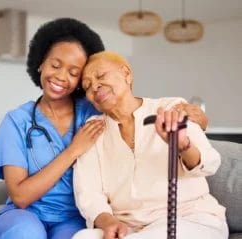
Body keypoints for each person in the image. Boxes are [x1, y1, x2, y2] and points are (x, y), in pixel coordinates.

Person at [0, 18, 208, 239]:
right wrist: (73, 150)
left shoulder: (94, 112)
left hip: (74, 218)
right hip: (25, 214)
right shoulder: (16, 121)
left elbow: (136, 111)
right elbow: (21, 196)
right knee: (25, 234)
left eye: (74, 73)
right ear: (41, 63)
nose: (62, 77)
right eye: (55, 65)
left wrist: (186, 112)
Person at [72, 51, 228, 239]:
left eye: (101, 76)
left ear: (126, 74)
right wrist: (108, 221)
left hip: (189, 219)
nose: (95, 87)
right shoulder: (93, 130)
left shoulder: (171, 108)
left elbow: (210, 163)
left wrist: (182, 145)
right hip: (129, 227)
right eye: (87, 86)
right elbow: (89, 192)